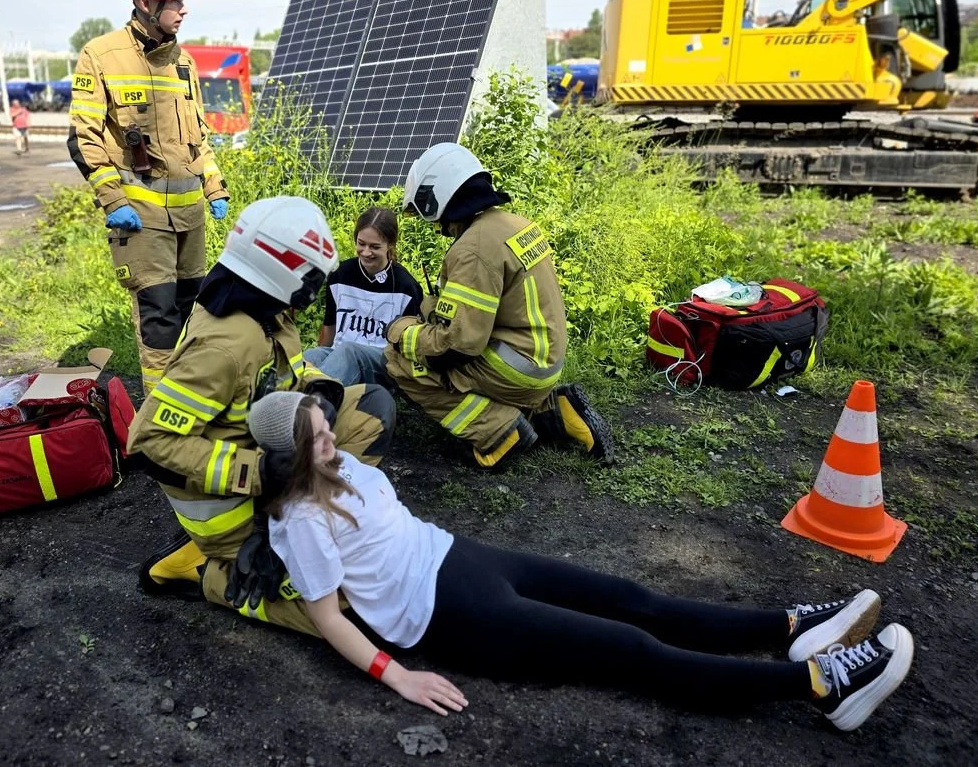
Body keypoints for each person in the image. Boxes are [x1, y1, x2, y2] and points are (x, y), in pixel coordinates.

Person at [249, 391, 916, 732]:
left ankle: (790, 629)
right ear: (289, 458)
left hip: (458, 558)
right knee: (629, 648)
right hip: (444, 613)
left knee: (632, 597)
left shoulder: (341, 462)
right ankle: (821, 687)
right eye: (316, 436)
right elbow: (329, 617)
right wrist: (399, 677)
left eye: (325, 422)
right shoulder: (298, 520)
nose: (332, 435)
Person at [125, 196, 397, 636]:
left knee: (369, 408)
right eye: (311, 276)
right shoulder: (224, 346)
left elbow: (286, 368)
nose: (313, 290)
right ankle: (209, 573)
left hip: (269, 464)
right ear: (287, 271)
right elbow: (148, 444)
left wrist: (322, 392)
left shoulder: (264, 305)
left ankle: (301, 525)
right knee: (358, 603)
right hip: (232, 504)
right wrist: (260, 472)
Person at [384, 142, 615, 470]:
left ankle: (498, 433)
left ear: (440, 196)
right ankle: (554, 411)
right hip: (543, 360)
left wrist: (403, 334)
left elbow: (458, 347)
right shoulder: (514, 224)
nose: (438, 228)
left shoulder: (472, 249)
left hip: (516, 369)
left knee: (401, 363)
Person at [68, 0, 231, 396]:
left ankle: (191, 399)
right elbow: (84, 137)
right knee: (159, 318)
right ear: (144, 2)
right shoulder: (100, 55)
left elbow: (198, 133)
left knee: (193, 312)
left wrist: (213, 186)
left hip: (190, 216)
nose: (183, 10)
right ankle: (161, 416)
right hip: (140, 217)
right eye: (175, 2)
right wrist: (113, 201)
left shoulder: (184, 62)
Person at [304, 207, 424, 388]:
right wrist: (322, 351)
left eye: (375, 247)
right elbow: (330, 325)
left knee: (349, 350)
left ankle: (315, 404)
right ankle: (286, 401)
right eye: (361, 244)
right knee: (310, 356)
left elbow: (408, 349)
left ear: (390, 245)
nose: (366, 252)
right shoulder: (340, 274)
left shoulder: (406, 287)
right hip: (340, 354)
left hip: (383, 363)